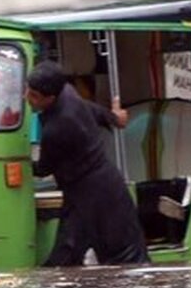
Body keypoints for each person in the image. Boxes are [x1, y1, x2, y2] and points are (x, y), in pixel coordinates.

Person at [26, 60, 149, 266]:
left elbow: (43, 168)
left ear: (51, 98)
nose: (27, 98)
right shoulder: (67, 92)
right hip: (91, 190)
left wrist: (17, 161)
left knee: (126, 260)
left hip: (98, 196)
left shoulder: (58, 127)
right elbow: (91, 108)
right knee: (68, 255)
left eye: (34, 96)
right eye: (28, 91)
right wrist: (113, 118)